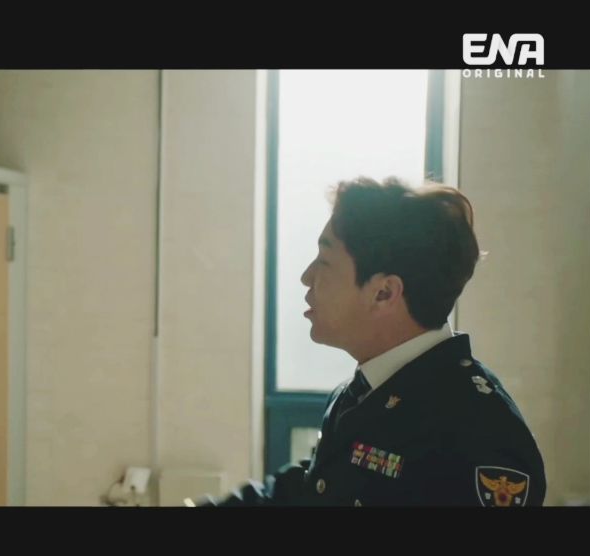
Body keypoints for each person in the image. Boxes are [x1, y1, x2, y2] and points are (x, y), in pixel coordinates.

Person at [208, 177, 545, 506]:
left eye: (324, 261)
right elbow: (312, 490)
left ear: (384, 292)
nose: (306, 277)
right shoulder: (360, 392)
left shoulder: (479, 430)